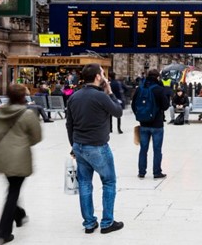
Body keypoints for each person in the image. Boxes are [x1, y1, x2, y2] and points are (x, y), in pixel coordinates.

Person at [66, 63, 124, 235]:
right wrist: (111, 92)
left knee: (84, 183)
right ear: (98, 77)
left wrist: (73, 146)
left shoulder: (74, 97)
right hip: (97, 146)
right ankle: (107, 223)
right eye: (102, 73)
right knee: (109, 181)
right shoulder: (101, 96)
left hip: (79, 145)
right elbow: (118, 112)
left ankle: (89, 223)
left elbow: (69, 124)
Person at [0, 84, 42, 245]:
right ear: (22, 97)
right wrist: (22, 143)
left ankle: (19, 215)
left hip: (1, 156)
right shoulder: (27, 114)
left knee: (13, 188)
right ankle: (3, 233)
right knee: (13, 192)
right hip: (19, 157)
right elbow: (36, 137)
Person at [134, 69, 170, 179]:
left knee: (143, 149)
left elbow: (133, 104)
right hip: (157, 124)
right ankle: (156, 172)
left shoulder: (140, 88)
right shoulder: (159, 89)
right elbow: (165, 106)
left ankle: (141, 171)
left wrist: (140, 115)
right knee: (157, 149)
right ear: (157, 77)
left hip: (144, 124)